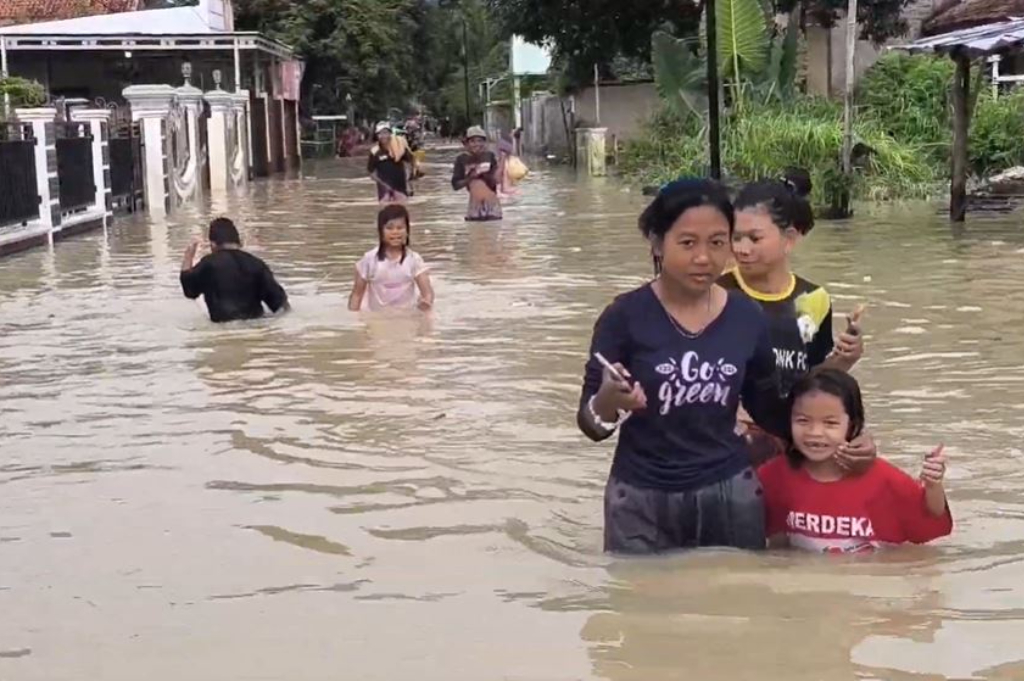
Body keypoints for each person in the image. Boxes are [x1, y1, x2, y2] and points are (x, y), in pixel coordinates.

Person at [577, 179, 790, 555]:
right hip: (641, 499)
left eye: (718, 242)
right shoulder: (622, 317)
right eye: (688, 243)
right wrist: (609, 399)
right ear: (658, 243)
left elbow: (770, 410)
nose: (704, 258)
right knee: (639, 605)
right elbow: (592, 426)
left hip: (730, 493)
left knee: (741, 603)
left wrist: (841, 425)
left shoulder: (746, 316)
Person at [721, 171, 866, 466]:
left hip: (793, 446)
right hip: (728, 449)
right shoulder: (718, 293)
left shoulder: (813, 300)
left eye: (754, 238)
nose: (741, 248)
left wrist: (843, 361)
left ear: (789, 239)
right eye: (735, 237)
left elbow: (812, 380)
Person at [758, 368, 952, 553]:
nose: (815, 433)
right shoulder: (773, 476)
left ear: (853, 425)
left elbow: (930, 519)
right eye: (803, 421)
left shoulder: (882, 478)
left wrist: (934, 484)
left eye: (830, 423)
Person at [180, 217, 289, 323]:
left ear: (212, 244)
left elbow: (189, 290)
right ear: (239, 242)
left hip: (222, 330)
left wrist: (188, 256)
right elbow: (281, 306)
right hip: (255, 327)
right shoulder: (257, 264)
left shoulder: (209, 264)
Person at [348, 204, 434, 312]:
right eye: (389, 228)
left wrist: (425, 305)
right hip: (376, 318)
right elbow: (356, 295)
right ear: (381, 231)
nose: (395, 232)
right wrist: (354, 323)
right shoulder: (369, 260)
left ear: (407, 231)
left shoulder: (414, 260)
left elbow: (427, 293)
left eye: (400, 227)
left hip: (406, 317)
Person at [451, 126, 502, 222]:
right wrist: (470, 178)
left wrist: (484, 175)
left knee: (493, 230)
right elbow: (455, 185)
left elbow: (496, 182)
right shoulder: (461, 159)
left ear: (484, 143)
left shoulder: (489, 156)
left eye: (480, 141)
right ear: (467, 144)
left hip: (492, 207)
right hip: (474, 208)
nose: (477, 144)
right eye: (473, 141)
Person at [368, 121, 413, 204]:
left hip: (400, 187)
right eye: (380, 133)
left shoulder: (400, 147)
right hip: (384, 190)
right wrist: (384, 185)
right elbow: (371, 173)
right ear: (377, 136)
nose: (383, 136)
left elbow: (410, 164)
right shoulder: (374, 152)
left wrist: (408, 182)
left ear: (390, 134)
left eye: (385, 133)